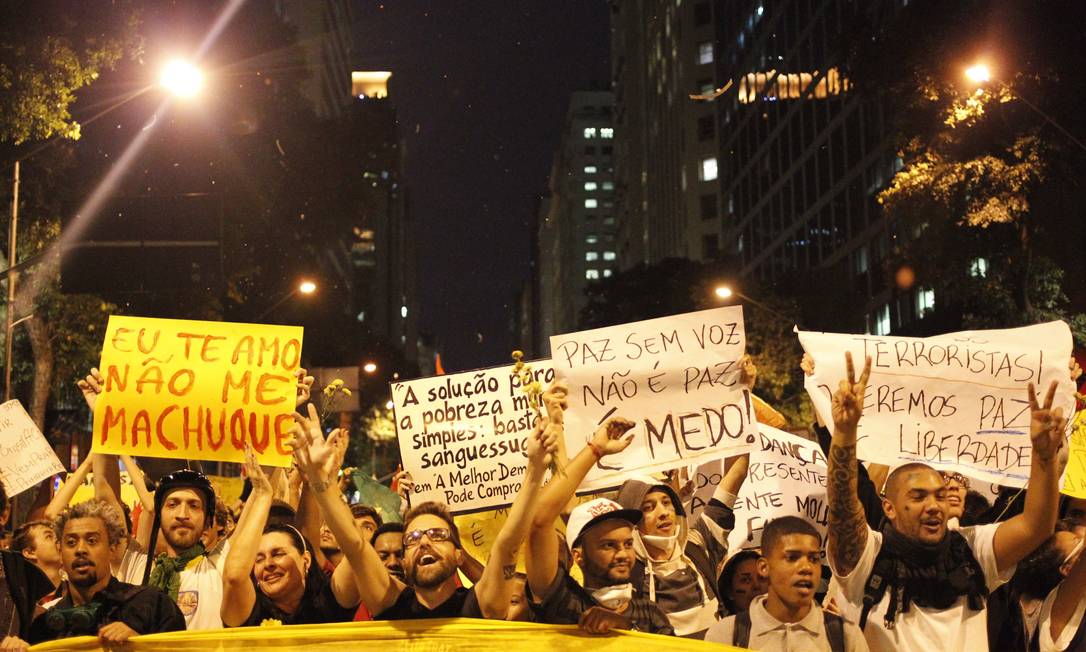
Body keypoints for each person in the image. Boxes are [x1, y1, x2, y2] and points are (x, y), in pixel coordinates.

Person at [825, 352, 1064, 651]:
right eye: (918, 496)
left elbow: (1036, 527)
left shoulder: (973, 549)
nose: (934, 505)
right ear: (889, 507)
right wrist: (845, 433)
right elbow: (843, 510)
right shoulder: (868, 559)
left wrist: (1044, 460)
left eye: (939, 494)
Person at [349, 410, 557, 620]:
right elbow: (355, 548)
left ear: (459, 555)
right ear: (404, 562)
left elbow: (508, 546)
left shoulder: (480, 608)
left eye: (437, 534)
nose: (423, 542)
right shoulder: (392, 606)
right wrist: (322, 482)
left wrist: (535, 469)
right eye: (411, 539)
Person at [610, 355, 756, 636]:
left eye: (667, 502)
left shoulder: (699, 543)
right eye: (648, 507)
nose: (663, 512)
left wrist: (743, 396)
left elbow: (735, 474)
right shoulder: (624, 572)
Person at [525, 401, 674, 636]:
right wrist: (596, 449)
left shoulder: (650, 613)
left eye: (627, 544)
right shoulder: (563, 602)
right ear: (578, 555)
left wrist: (623, 625)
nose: (623, 554)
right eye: (608, 545)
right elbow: (539, 520)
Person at [220, 420, 362, 627]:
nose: (268, 564)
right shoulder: (247, 609)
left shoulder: (330, 600)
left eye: (278, 553)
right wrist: (261, 493)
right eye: (258, 559)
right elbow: (233, 576)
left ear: (306, 560)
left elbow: (356, 549)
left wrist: (323, 480)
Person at [12, 500, 184, 649]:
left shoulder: (152, 605)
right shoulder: (42, 627)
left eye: (92, 541)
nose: (80, 550)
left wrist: (141, 645)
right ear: (60, 552)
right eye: (71, 542)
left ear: (112, 548)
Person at [706, 516, 868, 651]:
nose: (806, 567)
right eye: (792, 558)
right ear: (764, 567)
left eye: (814, 559)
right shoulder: (725, 635)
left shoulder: (846, 636)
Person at [116, 468, 226, 630]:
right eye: (172, 504)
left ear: (207, 520)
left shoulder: (220, 567)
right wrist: (107, 446)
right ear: (158, 516)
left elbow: (261, 496)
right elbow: (107, 497)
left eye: (194, 505)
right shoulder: (137, 564)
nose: (182, 514)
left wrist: (262, 490)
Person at [11, 520, 62, 586]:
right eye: (49, 536)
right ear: (29, 553)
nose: (57, 540)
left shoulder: (76, 588)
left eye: (56, 536)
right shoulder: (22, 595)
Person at [718, 549, 768, 614]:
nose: (757, 585)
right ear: (729, 591)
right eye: (746, 580)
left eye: (761, 578)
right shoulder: (727, 624)